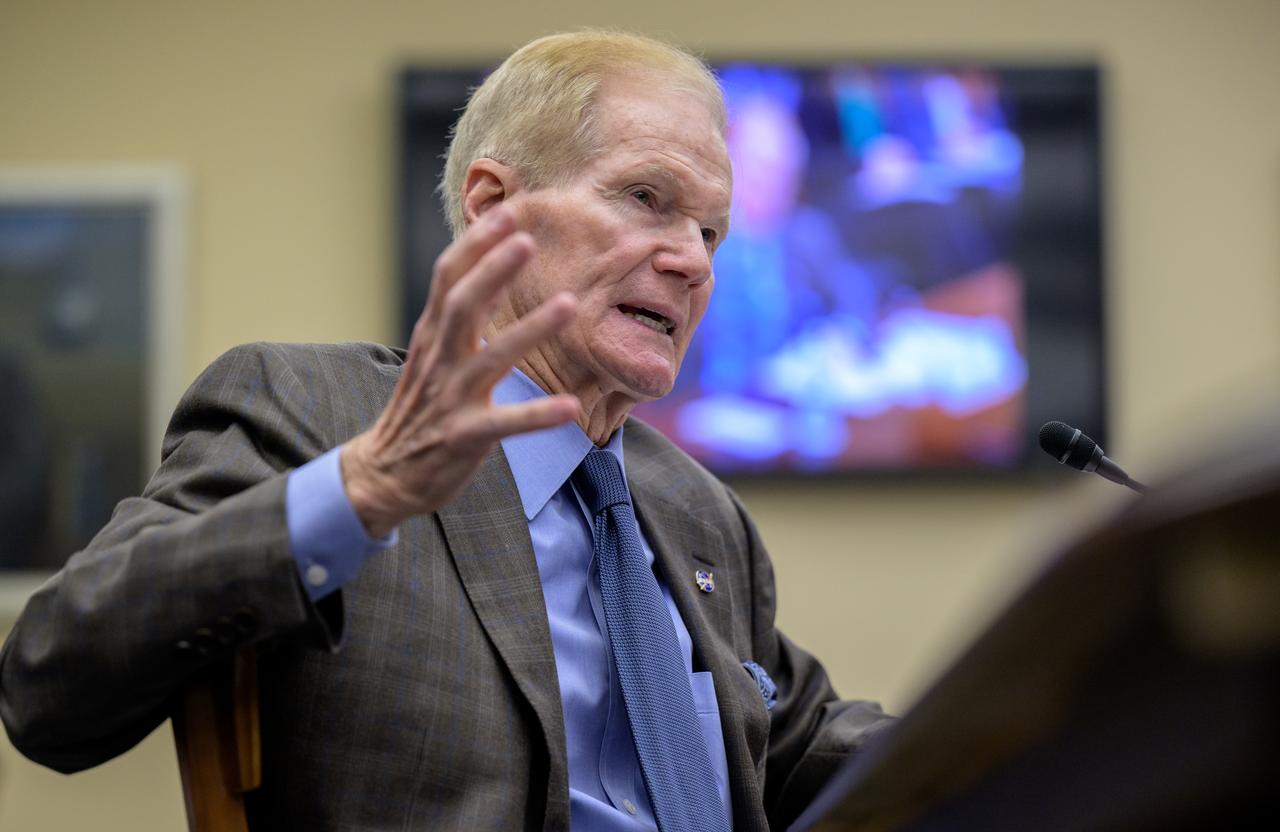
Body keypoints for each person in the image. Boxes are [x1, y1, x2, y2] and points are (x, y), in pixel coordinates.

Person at [0, 31, 892, 831]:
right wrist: (358, 492)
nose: (692, 260)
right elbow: (50, 680)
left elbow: (799, 747)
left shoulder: (694, 508)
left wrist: (1024, 709)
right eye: (647, 198)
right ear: (493, 204)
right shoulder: (311, 410)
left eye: (710, 231)